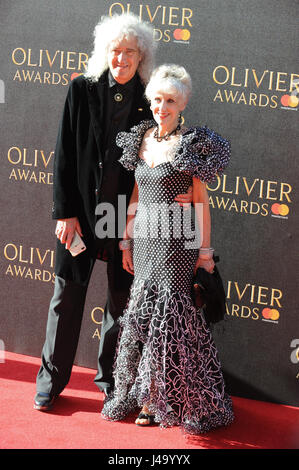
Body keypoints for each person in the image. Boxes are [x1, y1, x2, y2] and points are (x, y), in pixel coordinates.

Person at [34, 15, 193, 411]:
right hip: (81, 215)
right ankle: (49, 384)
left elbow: (162, 155)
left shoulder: (148, 100)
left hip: (123, 216)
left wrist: (176, 197)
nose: (121, 58)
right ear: (105, 52)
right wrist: (64, 212)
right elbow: (65, 156)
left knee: (121, 303)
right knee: (66, 298)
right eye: (115, 50)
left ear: (142, 57)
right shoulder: (81, 90)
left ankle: (112, 383)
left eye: (130, 52)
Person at [101, 64, 234, 434]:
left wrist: (204, 253)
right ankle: (144, 394)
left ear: (182, 104)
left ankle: (159, 399)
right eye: (157, 100)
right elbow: (137, 195)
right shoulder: (140, 139)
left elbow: (200, 201)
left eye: (170, 101)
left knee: (171, 324)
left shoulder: (191, 144)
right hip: (145, 242)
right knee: (143, 322)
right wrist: (126, 240)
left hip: (177, 245)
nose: (162, 107)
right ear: (150, 101)